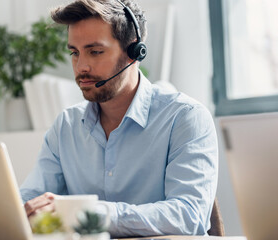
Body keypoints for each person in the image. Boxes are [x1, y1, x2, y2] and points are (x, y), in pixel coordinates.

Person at [20, 0, 218, 237]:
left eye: (95, 52)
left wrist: (93, 213)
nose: (81, 66)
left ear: (134, 52)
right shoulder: (66, 125)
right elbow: (31, 198)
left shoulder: (185, 117)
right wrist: (21, 211)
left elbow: (189, 215)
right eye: (74, 52)